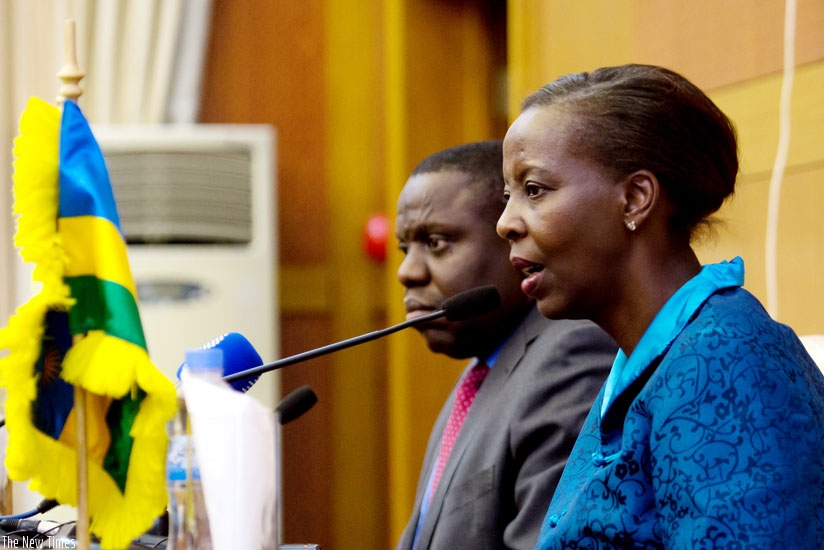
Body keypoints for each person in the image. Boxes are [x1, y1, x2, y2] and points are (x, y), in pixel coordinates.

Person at [496, 63, 824, 549]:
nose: (506, 222)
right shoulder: (646, 360)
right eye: (508, 195)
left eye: (534, 190)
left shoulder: (724, 359)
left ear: (635, 198)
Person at [394, 140, 617, 550]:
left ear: (512, 239)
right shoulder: (481, 372)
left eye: (437, 242)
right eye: (405, 248)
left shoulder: (569, 357)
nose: (407, 271)